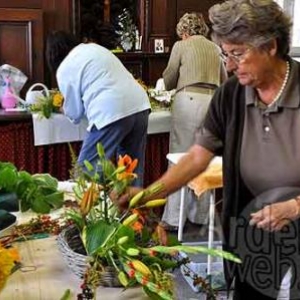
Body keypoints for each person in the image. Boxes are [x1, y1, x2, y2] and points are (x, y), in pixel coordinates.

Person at [118, 0, 300, 299]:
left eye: (238, 54)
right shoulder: (230, 94)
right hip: (254, 222)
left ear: (270, 46)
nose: (228, 65)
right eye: (225, 55)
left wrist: (293, 207)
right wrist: (145, 196)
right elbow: (196, 157)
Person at [46, 31, 151, 186]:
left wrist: (64, 109)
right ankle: (131, 210)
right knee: (130, 173)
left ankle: (88, 209)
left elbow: (74, 113)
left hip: (111, 110)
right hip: (140, 104)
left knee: (85, 174)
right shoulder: (94, 48)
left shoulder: (64, 68)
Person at [160, 12, 227, 232]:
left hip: (188, 100)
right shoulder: (215, 48)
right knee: (204, 158)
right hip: (213, 103)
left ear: (185, 32)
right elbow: (225, 81)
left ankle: (173, 218)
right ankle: (200, 216)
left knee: (180, 157)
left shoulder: (182, 45)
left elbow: (169, 79)